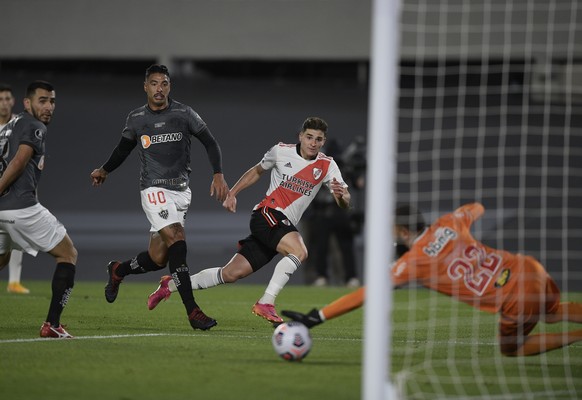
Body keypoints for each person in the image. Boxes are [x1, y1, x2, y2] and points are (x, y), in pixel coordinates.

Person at [282, 203, 582, 356]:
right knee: (553, 312)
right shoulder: (449, 223)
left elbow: (366, 294)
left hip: (514, 296)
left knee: (511, 349)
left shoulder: (413, 263)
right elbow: (477, 208)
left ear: (401, 232)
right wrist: (459, 219)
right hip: (528, 268)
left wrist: (316, 317)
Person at [147, 117, 352, 324]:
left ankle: (171, 284)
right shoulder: (281, 151)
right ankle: (266, 302)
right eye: (309, 137)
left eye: (318, 139)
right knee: (299, 251)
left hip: (280, 227)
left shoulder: (327, 165)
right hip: (267, 214)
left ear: (323, 142)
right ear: (301, 136)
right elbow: (256, 171)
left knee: (230, 274)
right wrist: (232, 193)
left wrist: (341, 196)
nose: (313, 143)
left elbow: (344, 199)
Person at [90, 64, 229, 331]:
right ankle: (193, 311)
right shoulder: (137, 118)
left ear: (169, 87)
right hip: (153, 190)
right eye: (154, 83)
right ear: (145, 86)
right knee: (178, 240)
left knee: (157, 259)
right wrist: (104, 170)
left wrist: (218, 174)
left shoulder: (184, 113)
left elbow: (210, 142)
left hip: (181, 193)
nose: (159, 89)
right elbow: (123, 149)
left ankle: (118, 270)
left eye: (164, 83)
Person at [0, 80, 79, 338]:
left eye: (52, 101)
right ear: (27, 103)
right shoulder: (33, 126)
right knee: (68, 253)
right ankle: (52, 324)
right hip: (20, 207)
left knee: (2, 259)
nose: (48, 107)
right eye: (42, 101)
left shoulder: (10, 126)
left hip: (3, 212)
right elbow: (20, 160)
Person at [307, 137, 362, 288]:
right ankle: (322, 276)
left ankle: (350, 277)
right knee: (321, 247)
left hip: (340, 212)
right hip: (323, 212)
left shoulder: (345, 167)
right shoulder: (319, 167)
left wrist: (355, 170)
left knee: (345, 247)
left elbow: (358, 184)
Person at [0, 84, 29, 295]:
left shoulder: (20, 124)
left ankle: (14, 281)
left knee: (17, 237)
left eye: (7, 98)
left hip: (14, 190)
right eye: (0, 99)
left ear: (13, 100)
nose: (4, 103)